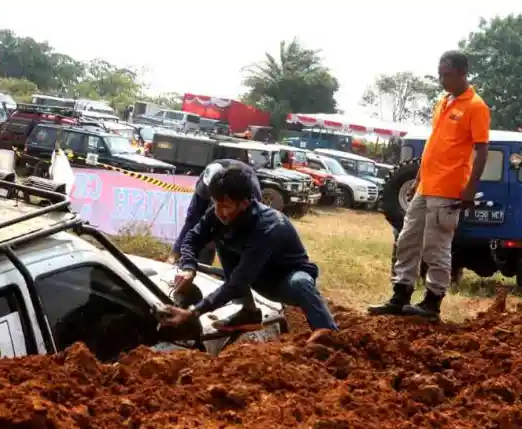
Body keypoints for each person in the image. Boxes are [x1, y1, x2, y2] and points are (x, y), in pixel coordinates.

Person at [369, 50, 489, 319]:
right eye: (439, 74)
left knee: (436, 246)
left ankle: (432, 302)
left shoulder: (476, 107)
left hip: (448, 189)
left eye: (446, 75)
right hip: (426, 187)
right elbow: (433, 145)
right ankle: (400, 295)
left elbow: (482, 150)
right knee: (407, 239)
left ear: (462, 73)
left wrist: (471, 187)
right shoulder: (443, 102)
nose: (441, 80)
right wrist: (418, 179)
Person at [159, 165, 338, 340]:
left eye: (226, 206)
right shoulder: (217, 214)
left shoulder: (268, 226)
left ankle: (327, 332)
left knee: (300, 282)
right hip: (256, 278)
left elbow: (238, 282)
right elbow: (192, 238)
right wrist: (188, 266)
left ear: (244, 202)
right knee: (224, 238)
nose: (220, 212)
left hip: (284, 282)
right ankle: (249, 312)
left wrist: (192, 312)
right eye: (216, 204)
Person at [167, 159, 262, 266]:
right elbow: (193, 218)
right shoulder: (206, 182)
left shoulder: (248, 191)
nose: (220, 210)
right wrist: (177, 252)